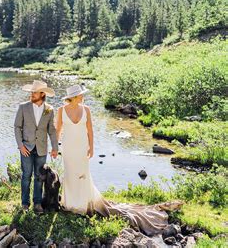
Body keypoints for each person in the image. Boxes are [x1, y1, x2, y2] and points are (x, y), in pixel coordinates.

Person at [55, 84, 173, 236]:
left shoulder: (87, 109)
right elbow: (57, 130)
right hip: (68, 147)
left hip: (82, 146)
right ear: (74, 97)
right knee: (70, 174)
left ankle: (83, 205)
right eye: (80, 95)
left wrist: (91, 147)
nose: (83, 96)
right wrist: (54, 147)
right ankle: (70, 204)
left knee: (83, 174)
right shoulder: (61, 110)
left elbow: (90, 130)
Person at [14, 80, 58, 213]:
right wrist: (20, 146)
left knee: (39, 177)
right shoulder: (23, 107)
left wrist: (55, 147)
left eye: (34, 92)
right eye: (31, 92)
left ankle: (37, 204)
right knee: (26, 176)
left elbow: (52, 130)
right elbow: (17, 127)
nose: (32, 94)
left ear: (42, 94)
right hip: (26, 148)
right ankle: (25, 204)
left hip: (42, 149)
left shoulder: (49, 110)